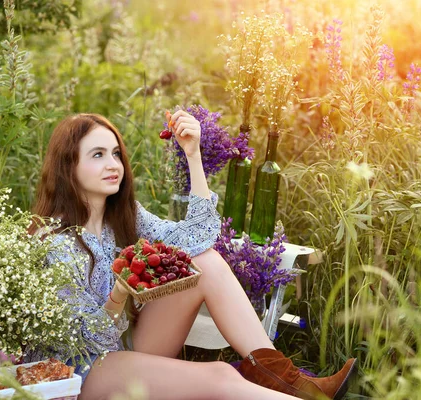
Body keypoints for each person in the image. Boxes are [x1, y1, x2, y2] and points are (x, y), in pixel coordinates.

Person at [26, 111, 356, 400]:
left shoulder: (125, 216)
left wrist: (192, 154)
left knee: (206, 261)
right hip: (79, 369)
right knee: (221, 376)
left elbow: (200, 237)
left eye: (115, 153)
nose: (113, 165)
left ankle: (287, 380)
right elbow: (87, 341)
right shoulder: (56, 242)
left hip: (123, 350)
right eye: (97, 155)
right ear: (69, 166)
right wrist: (118, 294)